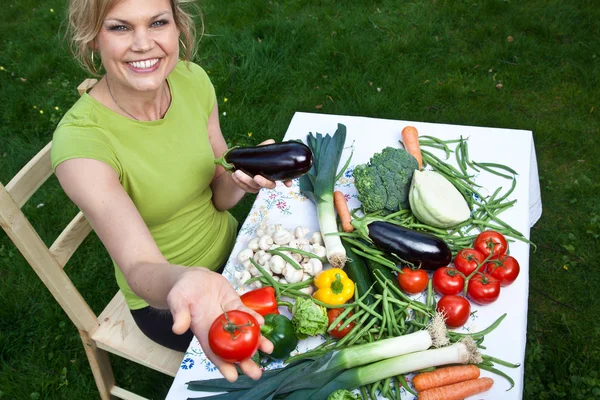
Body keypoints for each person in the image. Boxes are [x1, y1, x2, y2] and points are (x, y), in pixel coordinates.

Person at [53, 0, 288, 382]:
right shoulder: (82, 146)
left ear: (178, 27)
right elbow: (139, 268)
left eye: (158, 22)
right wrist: (185, 282)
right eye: (120, 27)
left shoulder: (191, 80)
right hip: (171, 301)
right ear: (92, 38)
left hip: (240, 250)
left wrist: (238, 179)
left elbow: (218, 196)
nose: (144, 44)